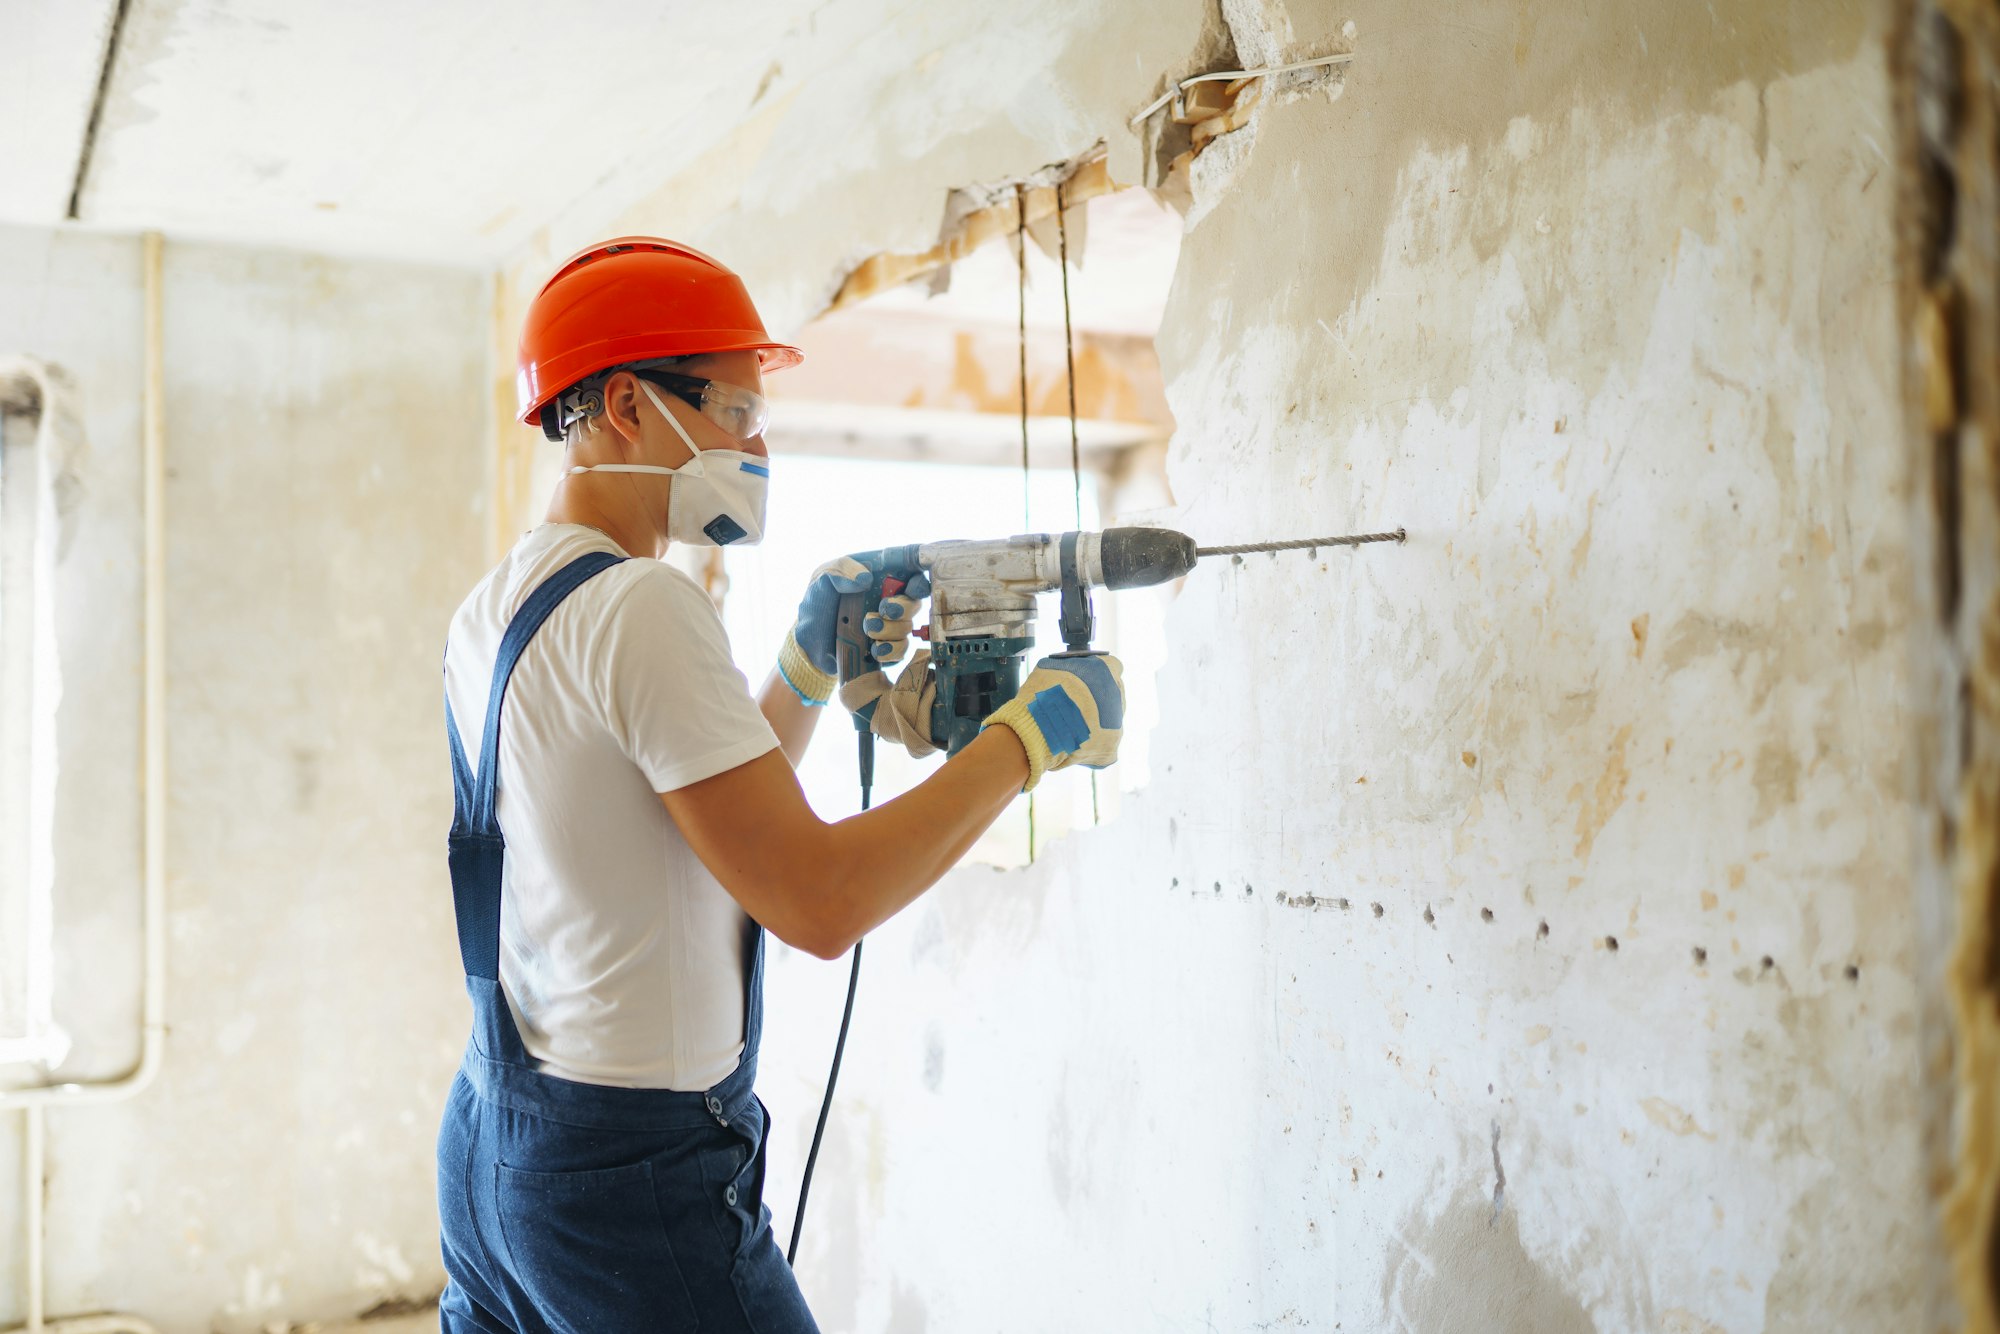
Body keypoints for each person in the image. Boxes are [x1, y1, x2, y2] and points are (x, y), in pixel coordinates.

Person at [433, 236, 1124, 1333]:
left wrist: (803, 667)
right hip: (631, 1181)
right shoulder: (642, 606)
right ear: (625, 403)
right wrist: (1029, 737)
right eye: (737, 413)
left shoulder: (496, 609)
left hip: (495, 1146)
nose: (758, 446)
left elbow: (687, 815)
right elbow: (816, 899)